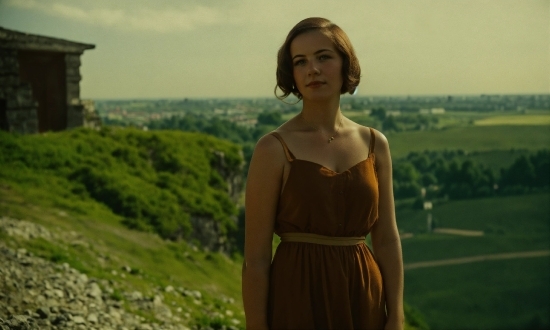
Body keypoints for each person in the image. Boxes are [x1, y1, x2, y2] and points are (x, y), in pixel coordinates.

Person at [242, 17, 404, 330]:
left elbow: (386, 240)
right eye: (300, 62)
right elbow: (256, 259)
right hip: (297, 295)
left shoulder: (375, 143)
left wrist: (395, 316)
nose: (312, 69)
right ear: (292, 74)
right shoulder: (273, 149)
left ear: (346, 64)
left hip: (363, 293)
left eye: (323, 57)